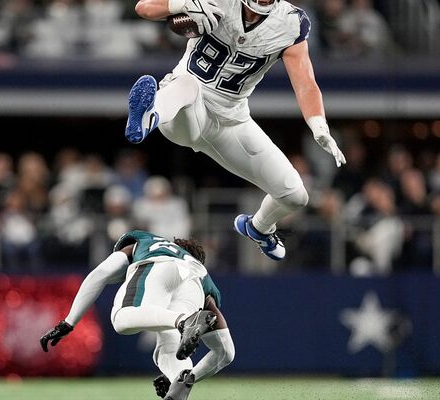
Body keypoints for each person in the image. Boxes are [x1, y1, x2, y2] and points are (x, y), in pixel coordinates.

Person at [126, 0, 346, 261]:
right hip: (183, 110)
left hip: (231, 120)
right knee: (188, 84)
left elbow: (306, 83)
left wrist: (318, 124)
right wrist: (181, 4)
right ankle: (150, 114)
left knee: (295, 195)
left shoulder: (290, 22)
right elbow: (144, 7)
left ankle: (259, 228)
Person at [40, 230, 234, 400]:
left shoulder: (147, 243)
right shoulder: (202, 275)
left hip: (159, 265)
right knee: (169, 346)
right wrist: (186, 377)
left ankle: (183, 321)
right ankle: (180, 379)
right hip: (196, 285)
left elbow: (99, 274)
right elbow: (226, 353)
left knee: (121, 319)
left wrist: (69, 322)